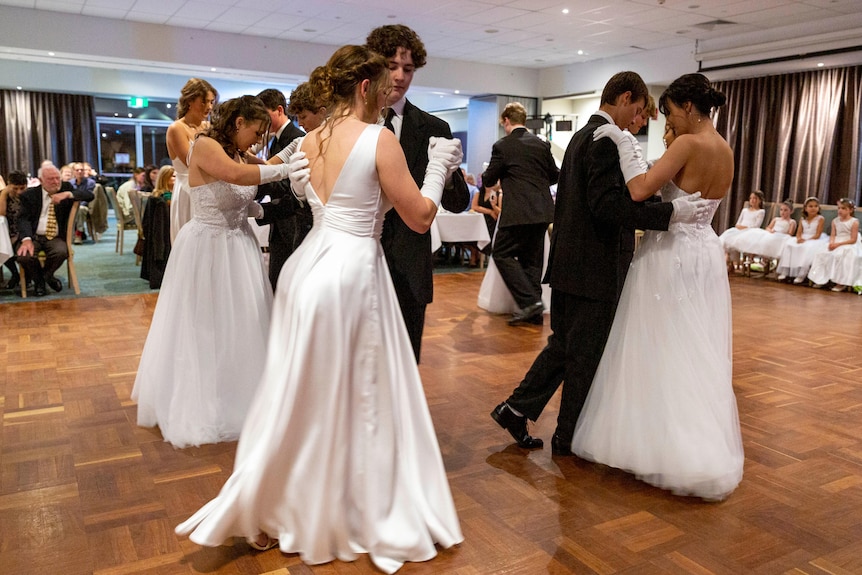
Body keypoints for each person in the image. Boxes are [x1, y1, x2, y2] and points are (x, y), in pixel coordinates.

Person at [175, 45, 464, 573]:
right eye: (382, 86)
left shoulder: (310, 139)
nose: (389, 95)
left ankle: (281, 500)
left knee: (299, 394)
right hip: (351, 271)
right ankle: (350, 499)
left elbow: (307, 195)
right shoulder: (380, 139)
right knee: (360, 392)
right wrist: (440, 168)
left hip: (307, 269)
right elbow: (420, 217)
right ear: (364, 88)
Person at [490, 71, 709, 453]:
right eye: (638, 111)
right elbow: (608, 207)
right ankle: (567, 435)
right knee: (584, 356)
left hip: (571, 263)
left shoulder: (581, 135)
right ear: (624, 98)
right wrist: (670, 214)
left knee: (565, 347)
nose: (638, 121)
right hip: (594, 266)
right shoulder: (607, 139)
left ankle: (516, 409)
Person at [570, 73, 743, 500]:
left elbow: (639, 190)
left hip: (670, 254)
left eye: (668, 113)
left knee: (660, 346)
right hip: (705, 252)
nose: (668, 123)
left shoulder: (687, 144)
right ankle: (702, 446)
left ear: (687, 107)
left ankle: (660, 446)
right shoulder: (726, 149)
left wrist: (627, 150)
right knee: (695, 347)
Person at [132, 96, 290, 448]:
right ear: (237, 123)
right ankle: (205, 402)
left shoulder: (237, 152)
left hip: (239, 245)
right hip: (208, 247)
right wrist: (286, 168)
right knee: (206, 324)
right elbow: (237, 176)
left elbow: (258, 169)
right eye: (256, 130)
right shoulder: (205, 146)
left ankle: (243, 395)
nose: (258, 139)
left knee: (242, 323)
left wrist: (297, 151)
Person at [366, 24, 471, 362]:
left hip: (410, 263)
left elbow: (457, 204)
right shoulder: (353, 125)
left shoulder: (434, 128)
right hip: (360, 258)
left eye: (407, 69)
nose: (399, 76)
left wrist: (451, 173)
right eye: (391, 66)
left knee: (405, 361)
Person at [481, 102, 559, 325]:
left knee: (502, 253)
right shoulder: (541, 144)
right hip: (542, 210)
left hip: (518, 211)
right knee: (531, 260)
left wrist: (500, 177)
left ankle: (529, 303)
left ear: (506, 121)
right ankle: (534, 313)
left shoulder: (503, 146)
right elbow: (554, 176)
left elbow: (488, 178)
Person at [253, 87, 308, 289]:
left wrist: (255, 191)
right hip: (280, 223)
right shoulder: (273, 139)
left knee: (290, 283)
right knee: (276, 282)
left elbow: (286, 183)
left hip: (293, 220)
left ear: (278, 110)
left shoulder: (297, 137)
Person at [15, 164, 94, 296]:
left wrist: (68, 194)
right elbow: (23, 219)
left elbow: (89, 195)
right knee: (24, 256)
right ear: (41, 180)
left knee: (61, 252)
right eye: (51, 179)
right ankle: (43, 280)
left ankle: (44, 278)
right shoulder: (30, 195)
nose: (56, 182)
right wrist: (26, 239)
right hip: (34, 236)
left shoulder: (65, 188)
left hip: (55, 237)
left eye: (57, 178)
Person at [167, 78, 218, 243]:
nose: (209, 107)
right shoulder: (176, 128)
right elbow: (193, 163)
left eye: (211, 102)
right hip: (188, 191)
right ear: (190, 101)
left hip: (209, 188)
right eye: (204, 101)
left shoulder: (208, 128)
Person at [727, 199, 797, 274]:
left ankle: (765, 259)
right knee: (759, 238)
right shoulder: (776, 219)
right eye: (781, 210)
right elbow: (768, 227)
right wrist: (770, 231)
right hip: (772, 234)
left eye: (785, 210)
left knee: (770, 241)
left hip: (782, 236)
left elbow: (790, 233)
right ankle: (752, 256)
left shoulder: (792, 222)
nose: (783, 212)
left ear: (791, 211)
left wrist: (779, 233)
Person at [807, 198, 862, 292]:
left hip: (848, 243)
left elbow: (853, 239)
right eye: (839, 208)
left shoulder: (854, 222)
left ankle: (841, 282)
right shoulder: (835, 221)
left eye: (843, 208)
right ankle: (821, 279)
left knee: (840, 255)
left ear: (851, 210)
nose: (840, 210)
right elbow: (833, 235)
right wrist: (832, 243)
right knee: (822, 253)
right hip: (836, 241)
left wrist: (838, 244)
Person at [775, 197, 828, 284]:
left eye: (815, 206)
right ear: (806, 208)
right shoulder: (803, 219)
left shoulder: (820, 218)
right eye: (810, 206)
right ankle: (785, 271)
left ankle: (801, 274)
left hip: (814, 238)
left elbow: (818, 234)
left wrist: (807, 240)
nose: (813, 208)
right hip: (803, 237)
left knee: (807, 248)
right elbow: (799, 232)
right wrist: (799, 238)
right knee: (789, 244)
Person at [139, 166, 175, 289]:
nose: (177, 178)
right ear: (165, 178)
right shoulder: (161, 199)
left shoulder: (163, 197)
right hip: (164, 235)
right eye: (173, 176)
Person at [720, 190, 766, 271]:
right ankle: (728, 262)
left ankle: (732, 262)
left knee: (737, 240)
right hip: (739, 229)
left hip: (751, 231)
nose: (752, 200)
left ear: (759, 200)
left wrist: (743, 228)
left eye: (755, 198)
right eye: (751, 198)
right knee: (726, 238)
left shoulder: (761, 212)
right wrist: (740, 227)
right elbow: (738, 223)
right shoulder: (745, 210)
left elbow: (756, 225)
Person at [1, 170, 28, 290]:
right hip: (7, 232)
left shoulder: (29, 196)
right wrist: (3, 194)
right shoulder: (3, 195)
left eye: (22, 188)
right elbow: (1, 215)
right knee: (2, 246)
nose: (19, 192)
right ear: (8, 185)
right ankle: (15, 274)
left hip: (24, 233)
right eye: (15, 188)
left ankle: (27, 276)